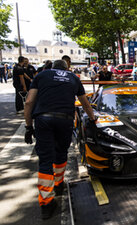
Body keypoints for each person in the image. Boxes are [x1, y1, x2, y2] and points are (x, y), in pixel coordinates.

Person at [23, 60, 96, 219]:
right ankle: (58, 184)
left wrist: (28, 127)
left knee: (45, 159)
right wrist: (92, 119)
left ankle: (47, 203)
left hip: (43, 120)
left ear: (52, 68)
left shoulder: (42, 75)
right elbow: (85, 104)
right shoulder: (73, 77)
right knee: (61, 153)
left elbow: (29, 102)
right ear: (66, 68)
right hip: (65, 119)